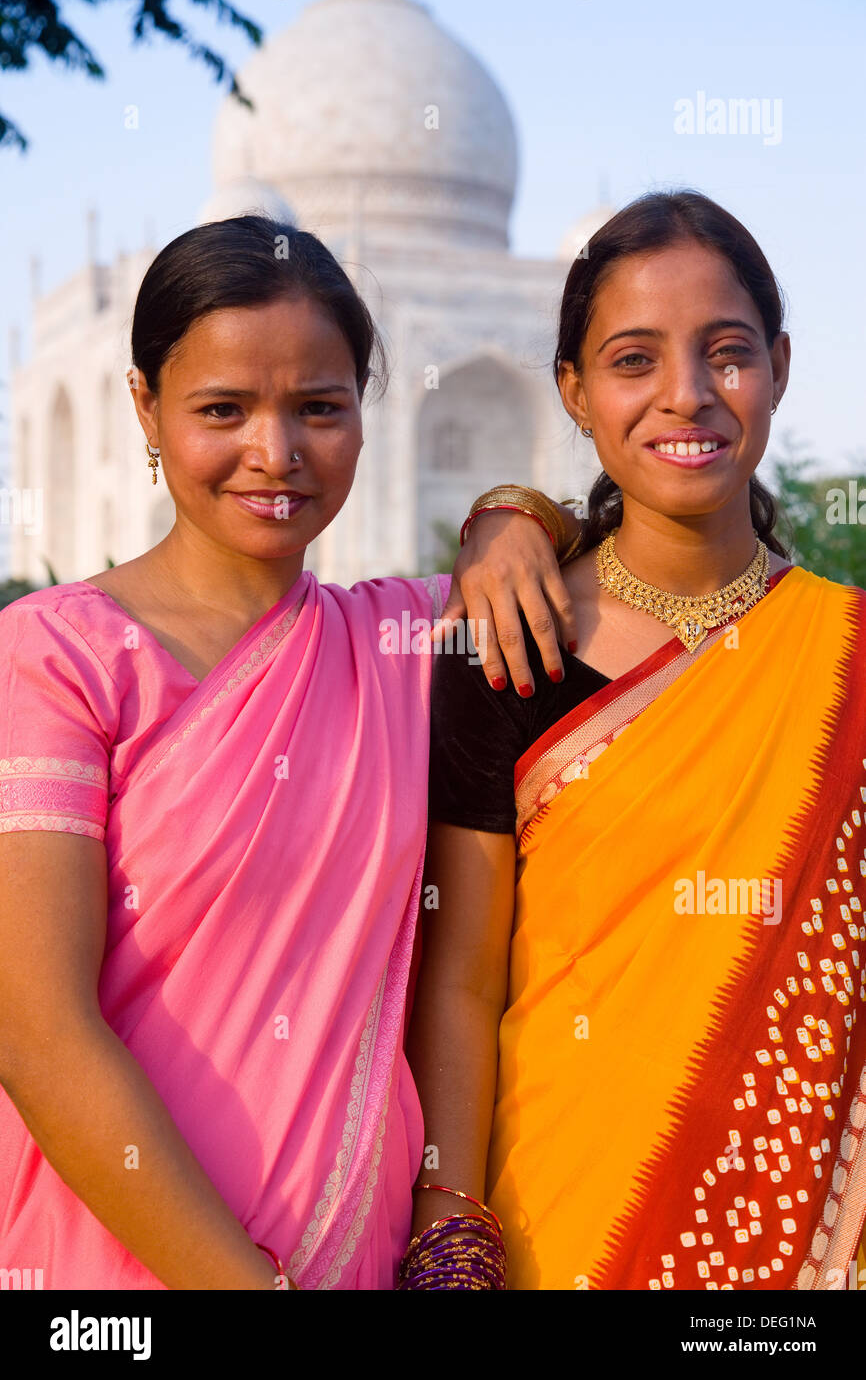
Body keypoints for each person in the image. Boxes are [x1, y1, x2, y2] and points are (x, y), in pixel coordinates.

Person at [0, 215, 579, 1291]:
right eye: (223, 409)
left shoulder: (412, 640)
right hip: (114, 1261)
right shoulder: (59, 656)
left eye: (320, 407)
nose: (277, 453)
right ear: (146, 409)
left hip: (354, 1247)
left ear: (368, 414)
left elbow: (633, 566)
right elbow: (36, 1031)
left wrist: (511, 514)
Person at [407, 189, 866, 1291]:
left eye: (726, 353)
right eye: (630, 359)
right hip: (557, 1221)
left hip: (811, 1234)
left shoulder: (845, 654)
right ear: (569, 389)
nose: (684, 395)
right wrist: (448, 1223)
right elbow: (462, 980)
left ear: (780, 364)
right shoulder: (501, 645)